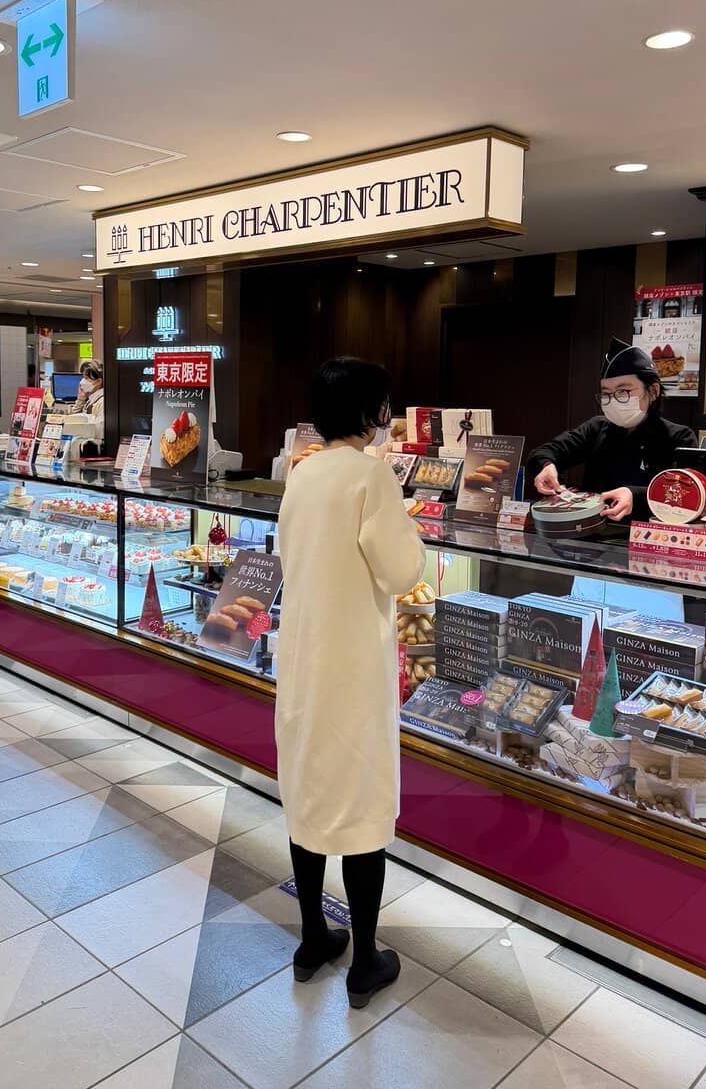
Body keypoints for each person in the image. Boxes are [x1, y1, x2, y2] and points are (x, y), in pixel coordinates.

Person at [276, 357, 426, 1008]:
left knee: (309, 792)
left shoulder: (303, 472)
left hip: (303, 659)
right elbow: (399, 570)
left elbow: (286, 552)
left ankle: (313, 936)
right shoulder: (373, 477)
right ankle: (365, 958)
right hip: (355, 668)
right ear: (371, 413)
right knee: (362, 806)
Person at [528, 336, 697, 522]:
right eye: (607, 393)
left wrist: (635, 495)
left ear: (654, 391)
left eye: (623, 391)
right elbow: (544, 452)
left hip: (647, 537)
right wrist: (547, 466)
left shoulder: (678, 437)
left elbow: (686, 491)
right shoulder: (597, 428)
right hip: (594, 535)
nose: (614, 400)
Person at [72, 359, 104, 423]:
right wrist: (81, 399)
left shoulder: (102, 403)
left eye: (86, 378)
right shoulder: (90, 399)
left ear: (98, 381)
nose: (82, 382)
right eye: (83, 377)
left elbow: (97, 430)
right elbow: (73, 419)